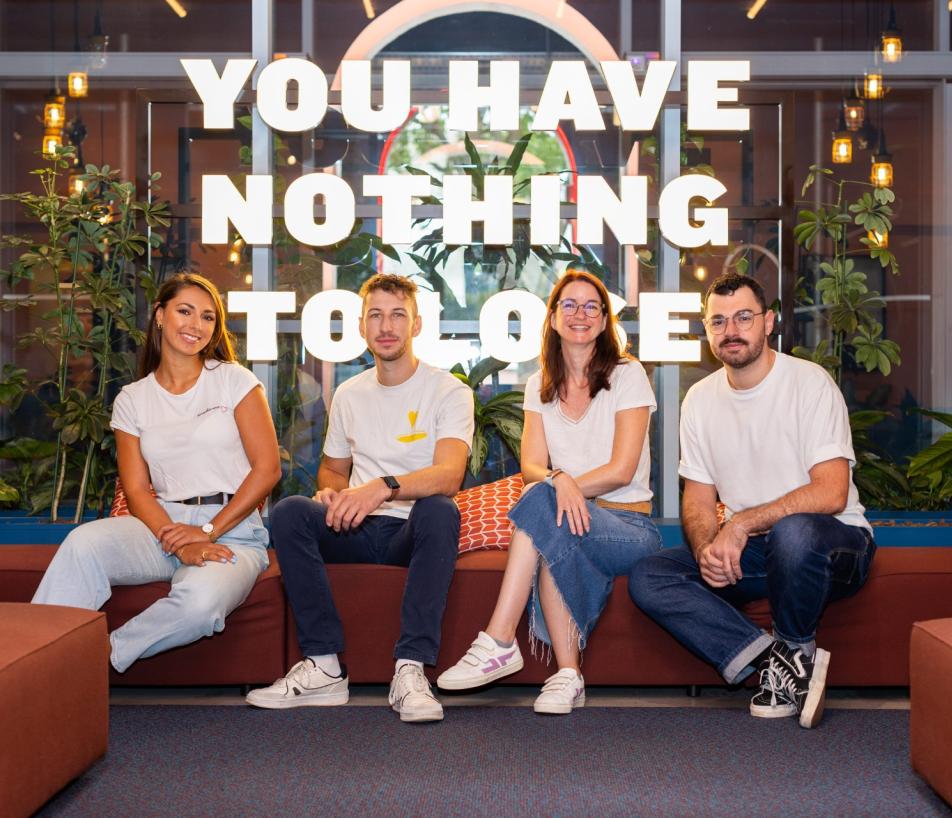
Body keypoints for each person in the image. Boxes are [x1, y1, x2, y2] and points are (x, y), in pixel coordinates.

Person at [629, 272, 876, 728]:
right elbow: (698, 498)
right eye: (718, 321)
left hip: (833, 547)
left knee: (793, 532)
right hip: (760, 554)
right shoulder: (700, 399)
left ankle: (795, 644)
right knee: (651, 575)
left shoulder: (809, 383)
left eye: (744, 317)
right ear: (707, 330)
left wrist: (740, 524)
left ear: (768, 322)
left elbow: (831, 491)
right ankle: (777, 662)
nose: (731, 330)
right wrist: (707, 549)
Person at [246, 273, 474, 723]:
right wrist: (332, 493)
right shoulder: (349, 394)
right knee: (291, 511)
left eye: (398, 315)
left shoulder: (449, 391)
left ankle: (410, 671)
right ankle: (323, 667)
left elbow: (449, 475)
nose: (386, 326)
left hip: (411, 532)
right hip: (355, 528)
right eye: (375, 315)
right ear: (361, 327)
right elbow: (333, 469)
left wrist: (381, 487)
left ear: (416, 325)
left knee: (440, 508)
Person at [437, 269, 662, 714]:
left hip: (629, 527)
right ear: (554, 318)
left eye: (592, 306)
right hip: (568, 518)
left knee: (543, 503)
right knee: (550, 522)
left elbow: (621, 470)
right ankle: (568, 676)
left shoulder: (627, 374)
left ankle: (500, 638)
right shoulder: (538, 384)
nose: (581, 314)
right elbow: (532, 467)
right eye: (570, 305)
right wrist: (559, 482)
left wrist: (563, 484)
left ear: (604, 320)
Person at [33, 273, 281, 673]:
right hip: (161, 528)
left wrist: (206, 532)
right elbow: (136, 490)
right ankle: (33, 658)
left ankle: (89, 659)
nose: (196, 325)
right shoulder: (133, 399)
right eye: (185, 311)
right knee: (83, 544)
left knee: (201, 605)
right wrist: (179, 542)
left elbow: (267, 470)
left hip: (232, 531)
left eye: (207, 317)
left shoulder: (234, 380)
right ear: (160, 316)